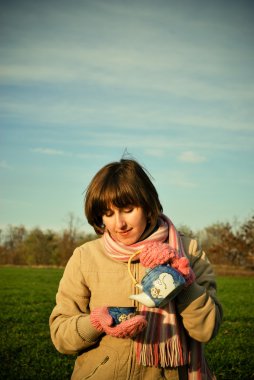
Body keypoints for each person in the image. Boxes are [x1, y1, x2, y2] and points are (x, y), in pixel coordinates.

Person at [49, 158, 223, 380]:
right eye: (108, 214)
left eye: (128, 209)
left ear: (148, 206)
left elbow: (206, 330)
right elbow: (61, 337)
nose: (118, 224)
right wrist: (96, 322)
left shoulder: (187, 250)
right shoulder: (85, 257)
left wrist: (181, 280)